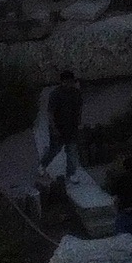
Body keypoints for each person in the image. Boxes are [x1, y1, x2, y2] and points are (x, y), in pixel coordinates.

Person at [33, 70, 85, 219]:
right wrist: (54, 128)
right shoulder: (56, 94)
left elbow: (79, 108)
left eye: (71, 81)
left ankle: (71, 174)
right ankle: (42, 165)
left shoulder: (76, 93)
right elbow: (50, 113)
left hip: (72, 127)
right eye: (66, 81)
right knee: (55, 149)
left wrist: (79, 122)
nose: (69, 84)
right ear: (62, 82)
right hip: (59, 127)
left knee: (72, 151)